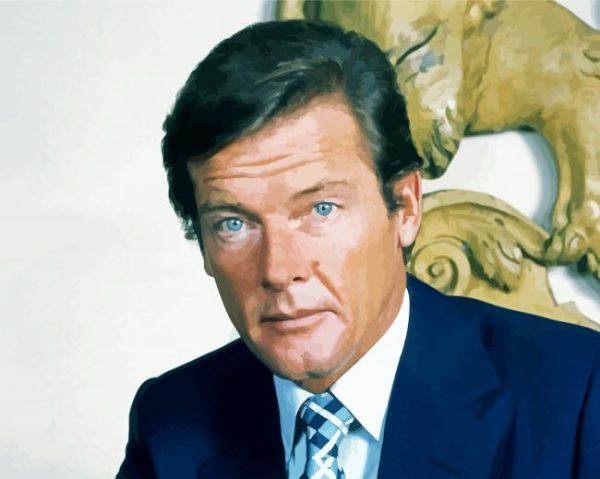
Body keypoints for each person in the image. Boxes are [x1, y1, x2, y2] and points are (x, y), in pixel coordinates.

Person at [117, 20, 600, 479]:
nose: (278, 270)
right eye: (233, 224)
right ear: (204, 246)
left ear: (405, 207)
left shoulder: (578, 395)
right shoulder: (169, 423)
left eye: (321, 209)